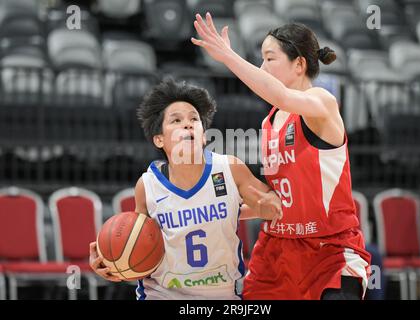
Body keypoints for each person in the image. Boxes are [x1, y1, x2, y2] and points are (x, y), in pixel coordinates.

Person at [192, 13, 371, 300]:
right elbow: (274, 200)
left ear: (299, 64)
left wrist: (227, 56)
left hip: (329, 251)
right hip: (277, 252)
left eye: (269, 58)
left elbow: (283, 97)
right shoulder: (269, 122)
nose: (262, 67)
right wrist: (213, 210)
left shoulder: (322, 103)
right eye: (260, 60)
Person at [89, 79, 282, 300]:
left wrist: (270, 204)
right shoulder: (148, 185)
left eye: (194, 119)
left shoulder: (229, 168)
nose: (188, 124)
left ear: (204, 135)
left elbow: (268, 203)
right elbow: (137, 241)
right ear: (159, 139)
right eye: (176, 120)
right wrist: (114, 262)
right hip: (162, 294)